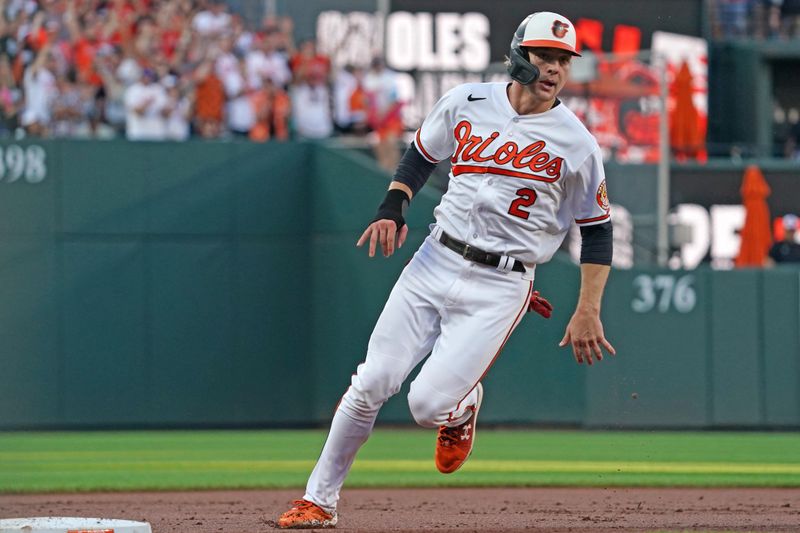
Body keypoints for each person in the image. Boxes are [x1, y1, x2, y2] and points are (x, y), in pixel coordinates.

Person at [277, 11, 615, 529]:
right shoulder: (467, 100)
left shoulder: (577, 143)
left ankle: (459, 409)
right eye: (545, 55)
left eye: (563, 60)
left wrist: (588, 307)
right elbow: (421, 153)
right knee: (370, 383)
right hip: (436, 258)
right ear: (519, 55)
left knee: (426, 405)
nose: (554, 69)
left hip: (502, 282)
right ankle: (319, 502)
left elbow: (597, 229)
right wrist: (394, 203)